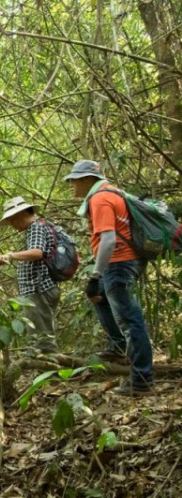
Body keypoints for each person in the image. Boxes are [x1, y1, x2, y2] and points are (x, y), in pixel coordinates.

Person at [64, 159, 154, 396]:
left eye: (74, 182)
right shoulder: (114, 192)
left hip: (118, 263)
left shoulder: (100, 198)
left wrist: (95, 275)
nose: (72, 187)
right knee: (98, 297)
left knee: (130, 320)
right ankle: (117, 347)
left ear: (86, 180)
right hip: (125, 261)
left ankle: (142, 380)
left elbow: (109, 240)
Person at [0, 197, 61, 353]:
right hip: (39, 290)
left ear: (23, 213)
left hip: (38, 289)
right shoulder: (38, 228)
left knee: (43, 341)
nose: (11, 224)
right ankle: (48, 369)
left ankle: (51, 372)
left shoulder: (36, 227)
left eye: (12, 219)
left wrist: (11, 256)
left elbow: (37, 252)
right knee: (41, 336)